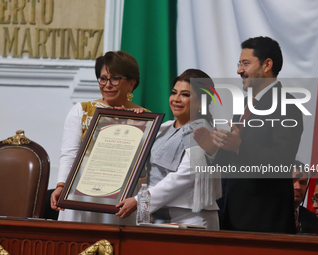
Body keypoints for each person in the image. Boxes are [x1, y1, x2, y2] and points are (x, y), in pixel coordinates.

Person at [194, 36, 303, 233]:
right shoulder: (245, 105)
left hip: (264, 220)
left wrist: (239, 146)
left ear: (267, 65)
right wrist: (214, 150)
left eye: (245, 63)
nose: (239, 70)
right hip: (232, 215)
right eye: (239, 64)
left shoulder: (287, 105)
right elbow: (235, 160)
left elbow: (282, 160)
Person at [115, 69, 221, 230]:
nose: (176, 99)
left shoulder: (203, 131)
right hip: (159, 219)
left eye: (185, 94)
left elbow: (184, 176)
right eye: (174, 93)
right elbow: (139, 167)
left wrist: (140, 200)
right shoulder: (162, 128)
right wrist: (130, 124)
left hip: (192, 219)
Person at [50, 51, 145, 224]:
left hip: (120, 199)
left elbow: (146, 169)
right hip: (79, 194)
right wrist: (61, 185)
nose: (108, 85)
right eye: (103, 78)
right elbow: (69, 154)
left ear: (131, 84)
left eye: (115, 78)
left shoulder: (145, 118)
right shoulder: (82, 110)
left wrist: (134, 123)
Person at [292, 160, 318, 234]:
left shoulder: (314, 219)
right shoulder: (268, 216)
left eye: (302, 183)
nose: (298, 187)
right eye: (293, 181)